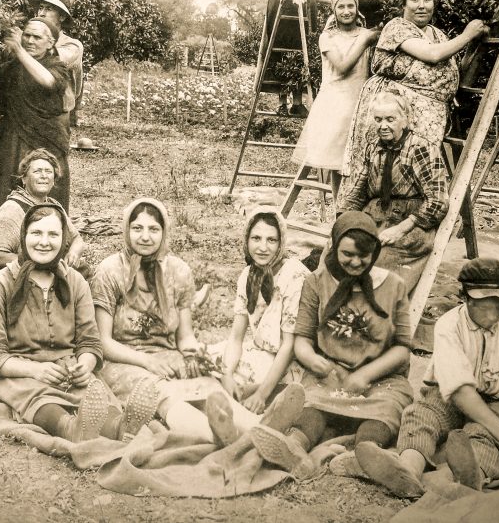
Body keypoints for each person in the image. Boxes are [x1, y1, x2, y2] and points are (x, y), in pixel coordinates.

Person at [0, 204, 159, 443]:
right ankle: (70, 428)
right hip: (14, 366)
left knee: (91, 389)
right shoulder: (0, 285)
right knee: (33, 393)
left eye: (53, 235)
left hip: (62, 365)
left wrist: (84, 365)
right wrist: (36, 370)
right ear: (24, 236)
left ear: (64, 240)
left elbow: (89, 341)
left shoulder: (75, 282)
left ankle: (121, 427)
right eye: (36, 233)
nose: (44, 242)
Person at [356, 258, 499, 498]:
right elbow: (460, 392)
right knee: (421, 415)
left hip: (498, 401)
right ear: (464, 297)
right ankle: (407, 469)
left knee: (482, 434)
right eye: (482, 304)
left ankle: (463, 478)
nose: (491, 312)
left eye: (498, 304)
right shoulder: (449, 325)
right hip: (451, 395)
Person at [249, 211, 414, 480]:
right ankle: (294, 448)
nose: (356, 262)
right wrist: (312, 360)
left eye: (365, 255)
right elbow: (302, 339)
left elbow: (402, 347)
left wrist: (366, 374)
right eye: (347, 254)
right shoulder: (316, 282)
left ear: (375, 252)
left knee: (386, 409)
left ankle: (365, 454)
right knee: (311, 405)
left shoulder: (394, 285)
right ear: (334, 246)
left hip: (382, 379)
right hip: (330, 376)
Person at [92, 198, 260, 444]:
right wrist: (146, 361)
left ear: (164, 232)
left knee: (206, 385)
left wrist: (193, 357)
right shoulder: (110, 271)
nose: (145, 237)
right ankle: (222, 441)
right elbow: (103, 343)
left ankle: (262, 432)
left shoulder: (178, 271)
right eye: (137, 228)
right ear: (126, 231)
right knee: (160, 391)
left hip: (167, 354)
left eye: (153, 229)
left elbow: (185, 336)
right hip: (122, 360)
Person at [343, 0, 487, 177]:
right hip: (396, 109)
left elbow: (453, 70)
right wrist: (467, 35)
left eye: (427, 0)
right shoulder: (397, 26)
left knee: (418, 172)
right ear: (403, 3)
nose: (422, 5)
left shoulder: (438, 35)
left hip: (430, 114)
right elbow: (432, 55)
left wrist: (473, 45)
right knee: (389, 171)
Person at [0, 15, 73, 267]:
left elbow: (48, 82)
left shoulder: (56, 66)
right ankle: (0, 257)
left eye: (37, 37)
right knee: (3, 195)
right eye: (26, 35)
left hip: (45, 144)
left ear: (50, 42)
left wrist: (19, 51)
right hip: (10, 142)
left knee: (45, 195)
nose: (29, 41)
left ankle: (49, 256)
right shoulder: (9, 68)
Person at [340, 92, 449, 288]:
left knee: (376, 264)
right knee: (336, 251)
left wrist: (400, 229)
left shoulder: (421, 148)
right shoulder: (373, 146)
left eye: (390, 119)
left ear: (405, 120)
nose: (383, 126)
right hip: (375, 214)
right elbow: (360, 190)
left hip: (410, 222)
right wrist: (342, 220)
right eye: (378, 119)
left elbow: (438, 201)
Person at [218, 208, 309, 413]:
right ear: (246, 239)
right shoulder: (248, 275)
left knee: (242, 386)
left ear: (281, 243)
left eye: (271, 240)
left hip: (289, 361)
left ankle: (260, 403)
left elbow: (289, 345)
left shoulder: (293, 274)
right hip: (262, 351)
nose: (262, 248)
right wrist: (227, 375)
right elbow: (236, 337)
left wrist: (261, 395)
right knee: (208, 364)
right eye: (256, 238)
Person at [291, 0, 378, 197]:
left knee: (361, 161)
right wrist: (366, 40)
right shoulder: (328, 37)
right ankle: (339, 209)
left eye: (351, 6)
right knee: (338, 162)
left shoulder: (367, 34)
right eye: (341, 7)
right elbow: (342, 66)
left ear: (357, 9)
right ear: (334, 10)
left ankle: (357, 208)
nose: (346, 11)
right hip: (335, 105)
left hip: (360, 103)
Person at [261, 0, 331, 117]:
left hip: (304, 7)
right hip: (285, 9)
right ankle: (282, 102)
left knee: (302, 49)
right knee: (283, 50)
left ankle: (298, 103)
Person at [0, 148, 84, 269]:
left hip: (60, 272)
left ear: (54, 180)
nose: (44, 176)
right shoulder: (12, 209)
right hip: (27, 278)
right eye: (37, 171)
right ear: (24, 178)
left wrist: (73, 253)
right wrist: (40, 262)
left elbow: (77, 239)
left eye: (48, 171)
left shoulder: (54, 205)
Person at [31, 0, 85, 127]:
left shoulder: (73, 46)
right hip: (30, 111)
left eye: (49, 9)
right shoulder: (30, 40)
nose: (41, 13)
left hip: (55, 117)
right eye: (40, 8)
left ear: (61, 17)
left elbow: (51, 58)